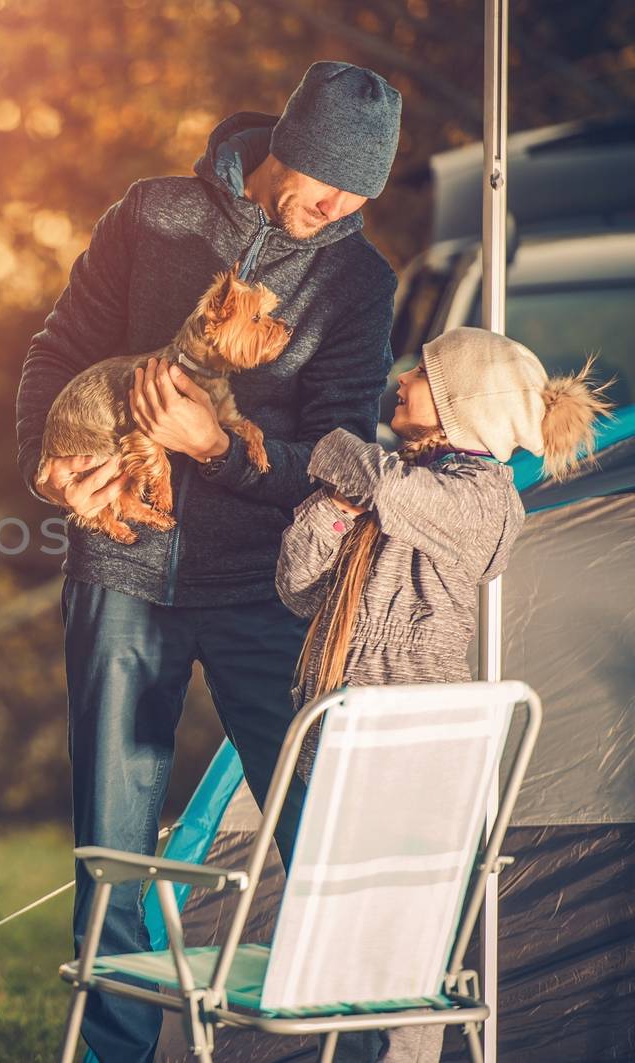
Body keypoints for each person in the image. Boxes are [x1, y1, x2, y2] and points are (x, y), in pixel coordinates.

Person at [15, 61, 403, 1062]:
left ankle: (348, 1046)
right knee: (113, 853)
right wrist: (49, 462)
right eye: (325, 187)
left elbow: (340, 463)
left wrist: (212, 447)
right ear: (287, 149)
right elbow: (57, 351)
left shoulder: (357, 281)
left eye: (359, 197)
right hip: (120, 574)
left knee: (315, 826)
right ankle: (112, 1051)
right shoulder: (151, 218)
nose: (336, 210)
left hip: (264, 592)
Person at [276, 327, 610, 1062]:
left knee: (407, 931)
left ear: (464, 404)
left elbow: (395, 492)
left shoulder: (480, 499)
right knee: (351, 937)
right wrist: (333, 509)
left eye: (423, 374)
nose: (402, 378)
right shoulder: (390, 484)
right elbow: (297, 586)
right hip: (340, 725)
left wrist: (334, 449)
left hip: (412, 727)